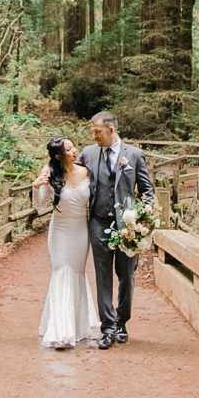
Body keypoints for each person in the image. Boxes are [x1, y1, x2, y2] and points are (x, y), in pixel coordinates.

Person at [77, 111, 153, 349]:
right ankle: (108, 328)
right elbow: (70, 174)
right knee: (102, 276)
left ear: (110, 130)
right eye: (93, 132)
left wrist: (145, 216)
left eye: (97, 132)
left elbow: (147, 190)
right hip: (99, 223)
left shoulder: (135, 155)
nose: (94, 136)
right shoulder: (88, 153)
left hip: (127, 227)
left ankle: (122, 322)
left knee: (126, 276)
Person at [31, 136, 99, 349]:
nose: (74, 151)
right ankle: (61, 331)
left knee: (77, 274)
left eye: (73, 147)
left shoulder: (86, 172)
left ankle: (78, 326)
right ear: (59, 156)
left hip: (80, 230)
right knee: (61, 272)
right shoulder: (51, 173)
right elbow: (40, 205)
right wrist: (36, 186)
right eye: (68, 149)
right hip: (59, 231)